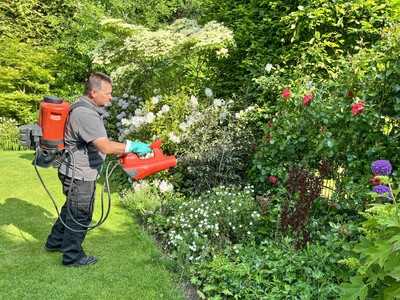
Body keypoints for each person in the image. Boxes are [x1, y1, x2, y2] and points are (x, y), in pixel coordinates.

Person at [44, 72, 151, 267]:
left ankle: (55, 242)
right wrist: (131, 146)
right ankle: (72, 256)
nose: (111, 97)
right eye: (108, 93)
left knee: (71, 208)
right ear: (94, 92)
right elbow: (105, 146)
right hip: (80, 174)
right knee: (80, 213)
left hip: (75, 171)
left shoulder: (83, 106)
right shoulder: (85, 114)